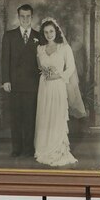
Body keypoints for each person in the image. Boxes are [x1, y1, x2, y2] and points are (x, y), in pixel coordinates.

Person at [34, 18, 83, 167]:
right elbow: (39, 68)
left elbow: (71, 68)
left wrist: (57, 75)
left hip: (58, 86)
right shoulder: (40, 49)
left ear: (57, 31)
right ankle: (44, 148)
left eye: (51, 31)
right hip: (44, 87)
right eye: (46, 32)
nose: (49, 34)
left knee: (56, 116)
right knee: (45, 116)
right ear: (43, 34)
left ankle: (57, 149)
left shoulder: (64, 48)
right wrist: (45, 73)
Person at [1, 4, 41, 157]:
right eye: (22, 16)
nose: (25, 19)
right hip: (15, 85)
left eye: (28, 16)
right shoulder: (9, 35)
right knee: (16, 118)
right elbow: (5, 60)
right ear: (18, 17)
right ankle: (16, 149)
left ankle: (29, 149)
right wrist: (6, 80)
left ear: (32, 17)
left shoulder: (39, 36)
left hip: (33, 85)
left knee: (31, 118)